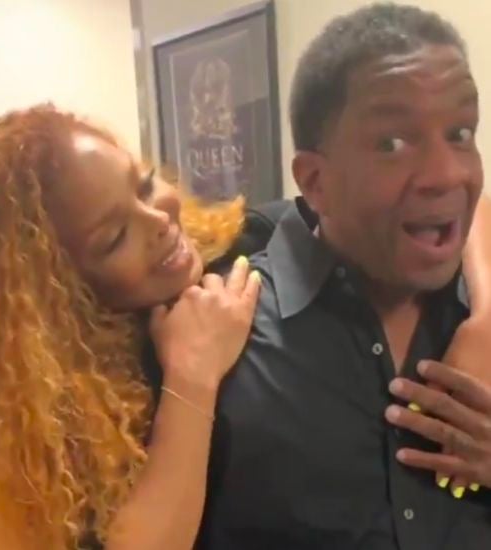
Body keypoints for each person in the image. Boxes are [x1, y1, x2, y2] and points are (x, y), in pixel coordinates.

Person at [0, 89, 489, 550]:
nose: (159, 219)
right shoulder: (46, 423)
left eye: (144, 184)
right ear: (59, 293)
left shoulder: (245, 245)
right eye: (114, 237)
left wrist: (485, 321)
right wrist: (192, 377)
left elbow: (472, 210)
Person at [194, 4, 491, 550]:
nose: (447, 173)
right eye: (392, 143)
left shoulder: (479, 306)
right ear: (315, 181)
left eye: (460, 132)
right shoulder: (217, 341)